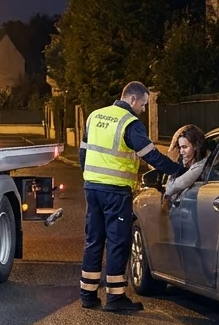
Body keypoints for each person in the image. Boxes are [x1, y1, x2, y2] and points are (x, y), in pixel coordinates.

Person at [79, 81, 190, 312]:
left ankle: (88, 294)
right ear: (132, 99)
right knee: (118, 241)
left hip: (92, 188)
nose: (143, 109)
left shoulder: (95, 116)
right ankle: (115, 297)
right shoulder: (130, 123)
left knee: (94, 239)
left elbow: (83, 152)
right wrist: (180, 172)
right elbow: (152, 156)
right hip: (116, 191)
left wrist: (89, 177)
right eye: (143, 104)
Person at [163, 124, 209, 206]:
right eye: (180, 148)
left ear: (195, 146)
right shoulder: (183, 163)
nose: (181, 152)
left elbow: (172, 187)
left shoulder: (201, 166)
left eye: (184, 147)